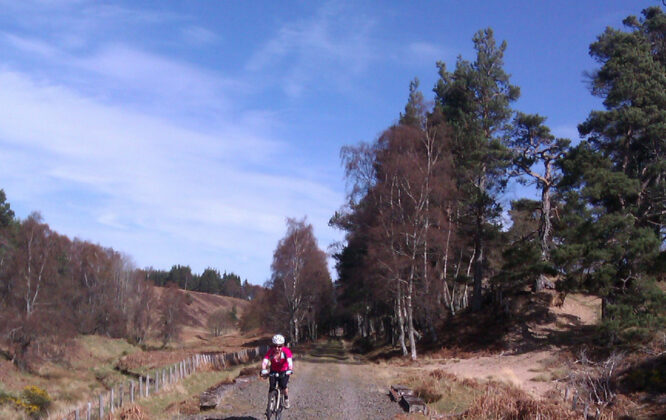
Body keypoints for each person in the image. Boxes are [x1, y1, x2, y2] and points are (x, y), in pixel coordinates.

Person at [260, 334, 293, 408]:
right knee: (271, 387)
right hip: (274, 370)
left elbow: (289, 361)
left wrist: (290, 370)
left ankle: (286, 399)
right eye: (275, 346)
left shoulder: (286, 351)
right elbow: (265, 360)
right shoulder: (271, 352)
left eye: (279, 346)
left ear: (283, 345)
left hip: (284, 371)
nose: (277, 348)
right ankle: (270, 404)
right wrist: (263, 369)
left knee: (283, 386)